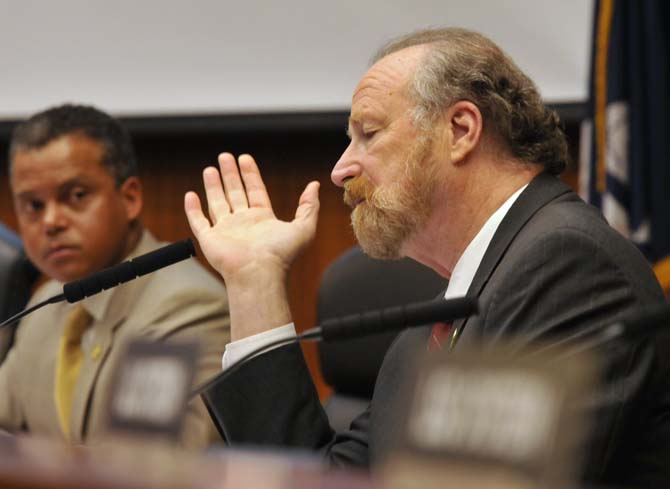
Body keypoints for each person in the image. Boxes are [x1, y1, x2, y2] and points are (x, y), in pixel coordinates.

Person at [185, 29, 669, 486]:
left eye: (368, 134)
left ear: (460, 129)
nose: (340, 169)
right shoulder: (447, 310)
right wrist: (254, 281)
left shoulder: (568, 265)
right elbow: (316, 479)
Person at [1, 104, 230, 448]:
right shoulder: (44, 304)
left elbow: (148, 469)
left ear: (130, 198)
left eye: (76, 196)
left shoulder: (186, 305)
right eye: (33, 205)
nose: (50, 222)